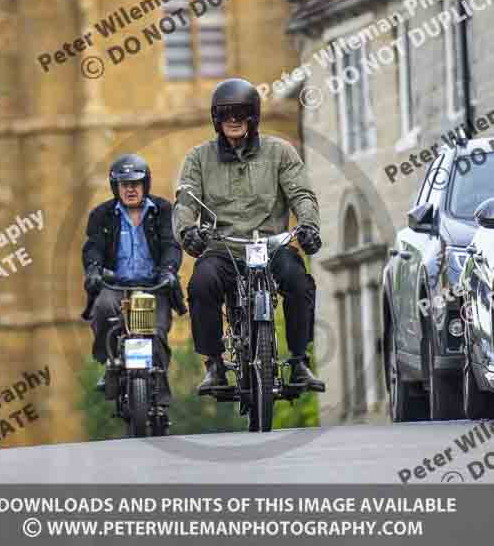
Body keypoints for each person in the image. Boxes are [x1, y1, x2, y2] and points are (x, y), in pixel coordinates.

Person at [173, 77, 322, 394]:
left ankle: (298, 360)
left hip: (271, 245)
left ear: (253, 116)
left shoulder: (280, 152)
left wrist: (309, 225)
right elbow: (185, 202)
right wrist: (188, 232)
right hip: (223, 248)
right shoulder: (198, 159)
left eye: (241, 113)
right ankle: (214, 363)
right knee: (201, 283)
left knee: (299, 281)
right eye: (226, 114)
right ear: (217, 120)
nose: (234, 121)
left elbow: (303, 196)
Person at [81, 153, 184, 417]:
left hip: (154, 286)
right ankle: (111, 364)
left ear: (145, 184)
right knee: (103, 309)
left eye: (135, 183)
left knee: (158, 333)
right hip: (115, 286)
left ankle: (159, 385)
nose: (130, 189)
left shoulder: (163, 210)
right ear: (115, 187)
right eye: (124, 184)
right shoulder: (101, 215)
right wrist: (93, 270)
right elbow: (93, 247)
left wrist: (169, 272)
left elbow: (171, 245)